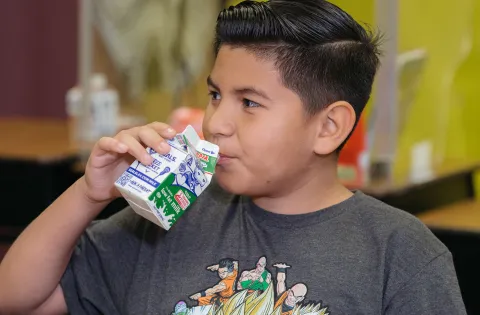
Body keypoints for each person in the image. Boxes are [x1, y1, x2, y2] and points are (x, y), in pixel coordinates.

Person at [0, 0, 467, 314]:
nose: (217, 122)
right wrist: (89, 193)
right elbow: (17, 297)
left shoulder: (400, 253)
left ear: (329, 127)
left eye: (249, 102)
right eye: (215, 94)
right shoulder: (171, 217)